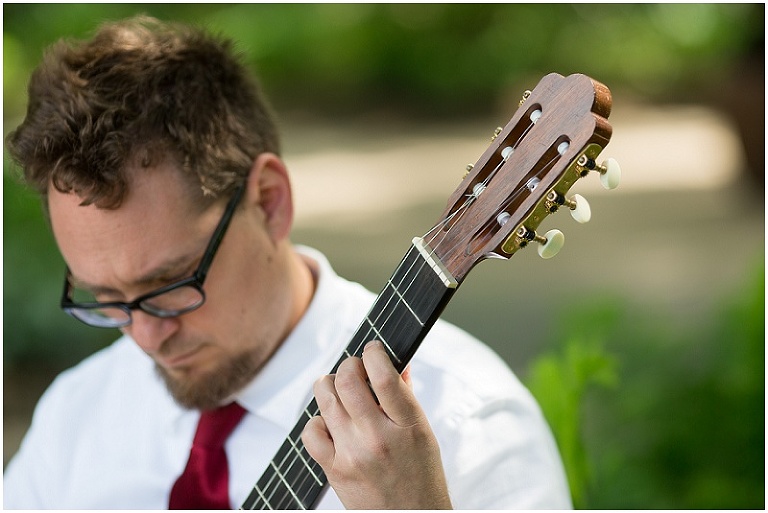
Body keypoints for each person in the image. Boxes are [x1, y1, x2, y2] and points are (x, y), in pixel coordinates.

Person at [3, 16, 572, 509]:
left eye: (170, 282)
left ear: (269, 201)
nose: (147, 337)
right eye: (106, 298)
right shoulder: (76, 416)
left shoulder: (468, 423)